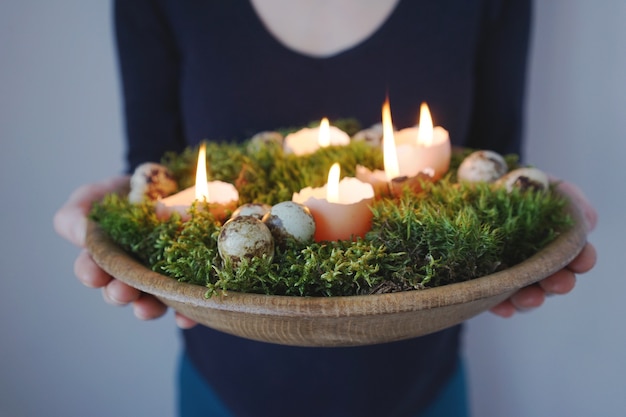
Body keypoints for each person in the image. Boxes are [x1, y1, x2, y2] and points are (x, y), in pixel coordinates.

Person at [54, 1, 598, 416]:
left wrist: (536, 211)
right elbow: (154, 170)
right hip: (224, 388)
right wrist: (112, 213)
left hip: (421, 386)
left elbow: (491, 166)